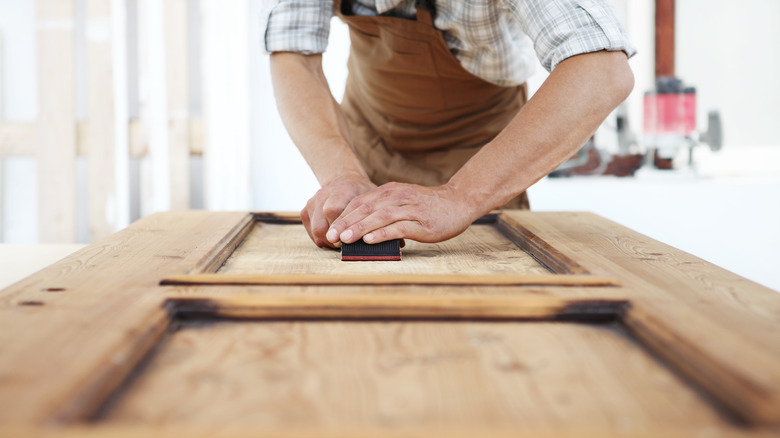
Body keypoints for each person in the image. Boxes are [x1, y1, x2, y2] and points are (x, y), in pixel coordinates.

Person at [265, 0, 636, 248]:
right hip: (368, 136)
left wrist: (460, 196)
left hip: (481, 146)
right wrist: (340, 174)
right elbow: (294, 54)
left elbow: (603, 69)